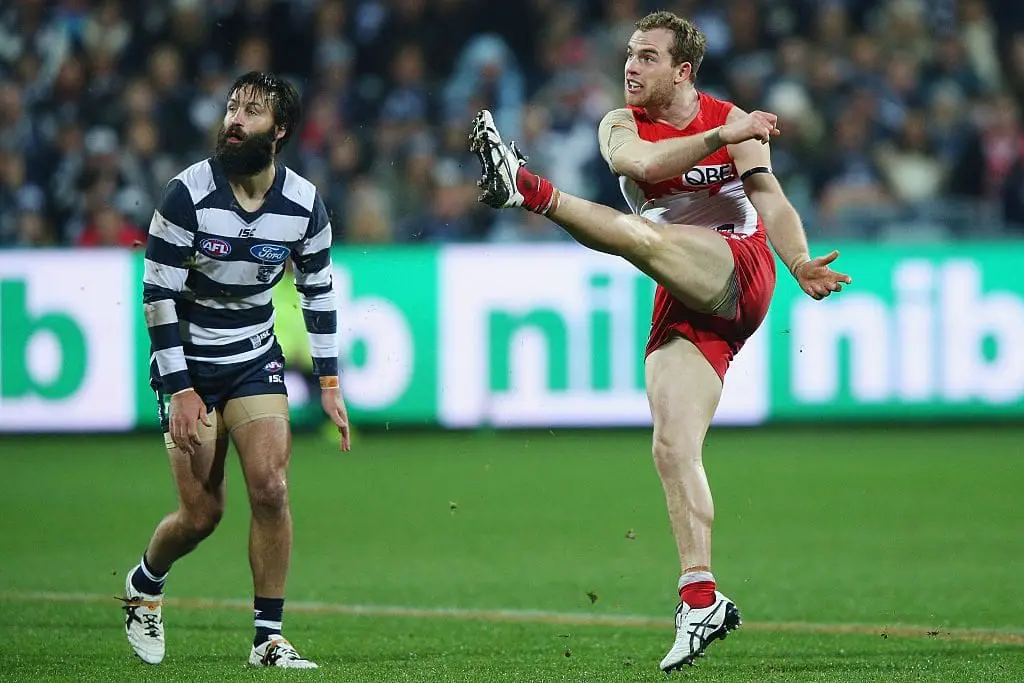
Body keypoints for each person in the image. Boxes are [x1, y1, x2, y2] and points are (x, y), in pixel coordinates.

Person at [469, 10, 851, 673]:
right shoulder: (621, 123)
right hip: (685, 289)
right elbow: (642, 161)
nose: (631, 66)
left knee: (641, 237)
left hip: (741, 268)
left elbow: (775, 202)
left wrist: (800, 262)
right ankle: (700, 596)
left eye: (648, 57)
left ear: (683, 71)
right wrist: (719, 137)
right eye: (629, 54)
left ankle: (526, 187)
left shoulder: (728, 116)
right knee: (672, 445)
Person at [120, 71, 351, 669]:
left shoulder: (303, 204)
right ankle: (145, 584)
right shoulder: (186, 194)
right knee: (203, 515)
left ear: (278, 131)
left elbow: (318, 292)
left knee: (271, 488)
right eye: (230, 108)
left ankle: (267, 639)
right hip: (189, 363)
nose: (233, 120)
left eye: (249, 112)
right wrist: (180, 388)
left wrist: (328, 381)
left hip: (252, 356)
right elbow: (157, 294)